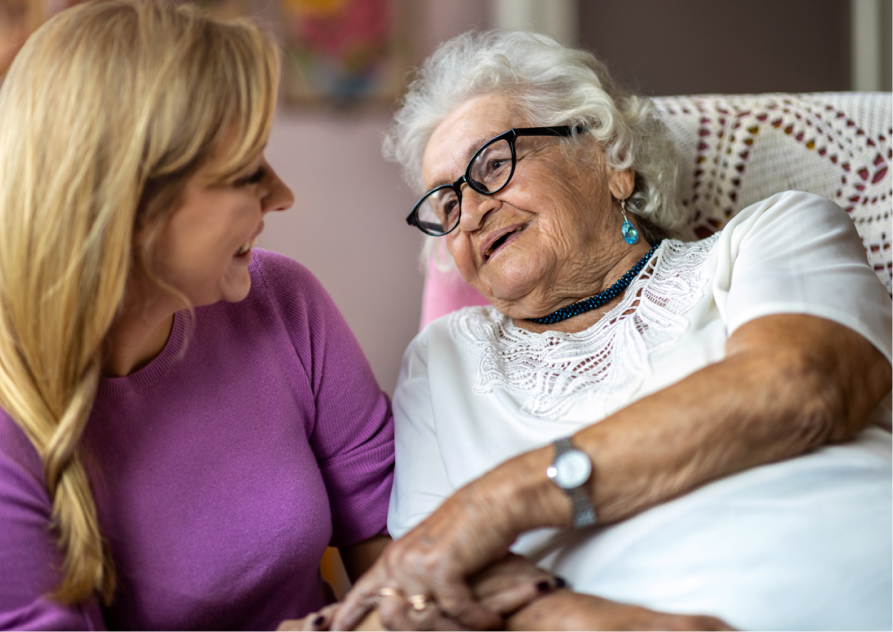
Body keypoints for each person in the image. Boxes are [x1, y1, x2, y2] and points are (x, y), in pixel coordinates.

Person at [331, 31, 893, 632]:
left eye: (492, 164)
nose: (468, 214)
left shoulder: (769, 235)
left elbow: (799, 389)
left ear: (610, 161)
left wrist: (497, 503)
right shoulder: (443, 361)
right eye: (445, 205)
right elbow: (432, 587)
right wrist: (593, 619)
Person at [0, 3, 401, 630]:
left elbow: (405, 561)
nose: (282, 195)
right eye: (246, 173)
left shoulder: (284, 301)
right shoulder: (11, 419)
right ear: (130, 204)